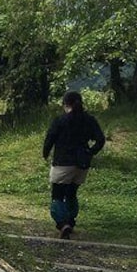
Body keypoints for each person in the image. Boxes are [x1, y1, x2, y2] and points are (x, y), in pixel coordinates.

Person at [42, 91, 105, 239]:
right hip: (82, 163)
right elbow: (100, 140)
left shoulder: (61, 120)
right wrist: (90, 152)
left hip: (63, 162)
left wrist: (45, 153)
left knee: (57, 195)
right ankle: (71, 220)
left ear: (65, 104)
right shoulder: (89, 120)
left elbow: (50, 139)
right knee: (72, 193)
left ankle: (63, 224)